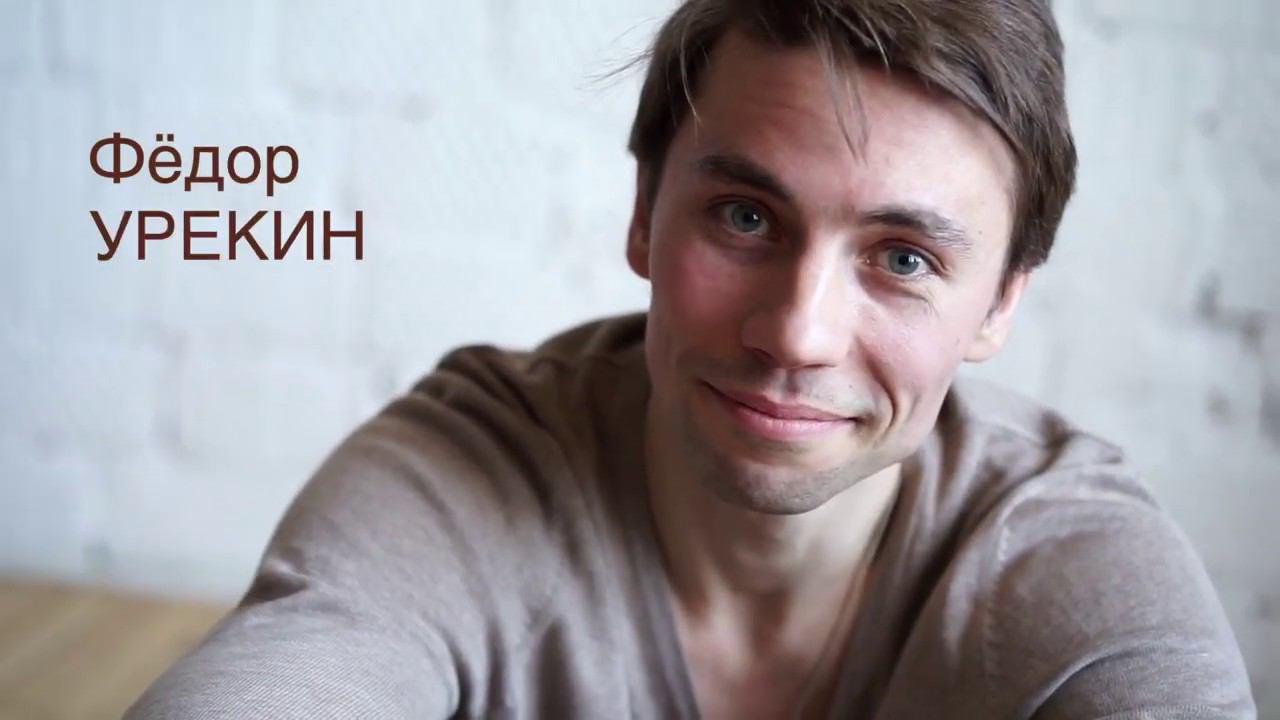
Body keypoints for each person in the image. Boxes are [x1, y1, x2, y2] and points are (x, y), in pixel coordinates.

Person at [126, 1, 1256, 718]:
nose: (797, 335)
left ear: (998, 304)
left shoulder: (1067, 562)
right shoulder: (472, 472)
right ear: (643, 214)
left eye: (904, 259)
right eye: (746, 219)